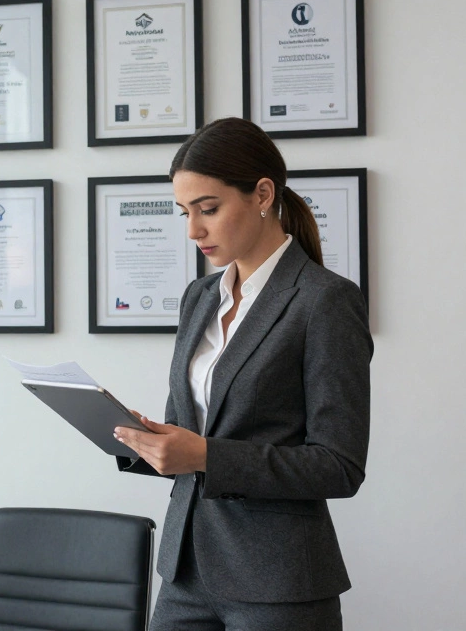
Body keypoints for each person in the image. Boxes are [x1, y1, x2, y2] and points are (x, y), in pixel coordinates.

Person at [113, 117, 373, 630]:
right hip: (185, 571)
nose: (193, 230)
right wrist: (140, 442)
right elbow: (188, 432)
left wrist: (204, 455)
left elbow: (339, 466)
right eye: (184, 212)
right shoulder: (199, 298)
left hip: (277, 583)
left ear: (261, 194)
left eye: (208, 209)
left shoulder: (325, 301)